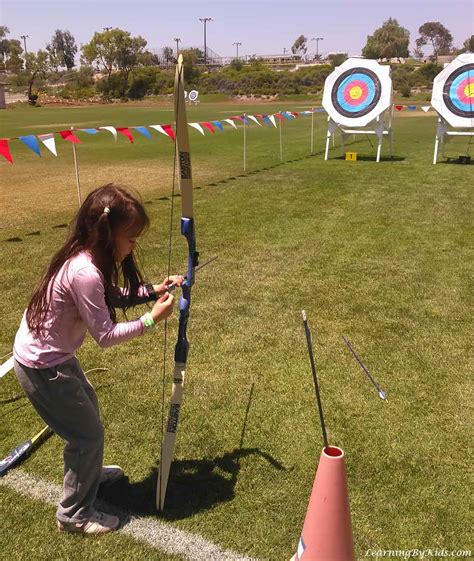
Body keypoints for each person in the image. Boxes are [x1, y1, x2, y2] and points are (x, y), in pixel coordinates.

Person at [13, 183, 183, 535]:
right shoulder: (86, 271)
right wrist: (152, 318)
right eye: (132, 239)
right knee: (86, 436)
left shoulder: (86, 256)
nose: (134, 246)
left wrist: (151, 290)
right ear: (109, 234)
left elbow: (110, 295)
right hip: (44, 366)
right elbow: (105, 336)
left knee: (87, 415)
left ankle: (88, 473)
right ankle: (73, 515)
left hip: (49, 358)